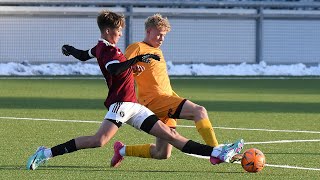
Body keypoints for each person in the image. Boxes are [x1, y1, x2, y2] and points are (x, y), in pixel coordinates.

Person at [27, 10, 244, 170]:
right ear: (108, 30)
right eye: (119, 30)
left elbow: (84, 54)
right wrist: (137, 59)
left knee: (170, 135)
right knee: (99, 141)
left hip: (135, 105)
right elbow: (115, 69)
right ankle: (45, 152)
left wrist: (69, 49)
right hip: (121, 104)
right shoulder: (109, 51)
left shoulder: (100, 47)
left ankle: (217, 152)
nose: (121, 33)